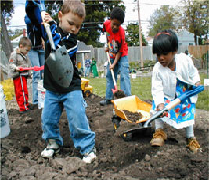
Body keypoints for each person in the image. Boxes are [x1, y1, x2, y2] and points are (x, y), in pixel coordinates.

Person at [40, 0, 96, 163]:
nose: (74, 28)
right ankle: (53, 143)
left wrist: (50, 27)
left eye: (78, 26)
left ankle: (87, 147)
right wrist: (41, 18)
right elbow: (37, 27)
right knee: (48, 118)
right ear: (60, 16)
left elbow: (60, 48)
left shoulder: (72, 40)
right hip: (52, 86)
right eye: (71, 23)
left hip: (71, 86)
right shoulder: (48, 28)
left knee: (77, 117)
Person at [150, 29, 201, 153]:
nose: (161, 58)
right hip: (167, 96)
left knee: (188, 112)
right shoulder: (157, 69)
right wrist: (161, 104)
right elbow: (157, 88)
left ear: (174, 51)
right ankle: (159, 132)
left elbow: (193, 73)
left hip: (184, 94)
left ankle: (190, 138)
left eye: (165, 54)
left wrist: (196, 82)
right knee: (158, 109)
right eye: (158, 55)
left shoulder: (184, 60)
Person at [100, 7, 131, 106]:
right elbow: (107, 34)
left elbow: (120, 52)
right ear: (110, 20)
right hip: (112, 52)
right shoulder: (106, 24)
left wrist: (114, 64)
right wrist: (108, 45)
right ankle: (109, 99)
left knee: (124, 75)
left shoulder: (121, 33)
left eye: (118, 25)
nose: (115, 27)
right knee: (110, 75)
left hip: (122, 54)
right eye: (114, 24)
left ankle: (126, 99)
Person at [25, 0, 46, 109]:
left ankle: (45, 98)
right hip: (32, 49)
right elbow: (31, 20)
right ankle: (36, 100)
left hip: (41, 47)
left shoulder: (41, 9)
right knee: (37, 73)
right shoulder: (28, 16)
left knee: (44, 72)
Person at [9, 37, 32, 114]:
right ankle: (23, 108)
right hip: (19, 76)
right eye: (26, 50)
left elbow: (27, 65)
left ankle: (26, 104)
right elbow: (11, 64)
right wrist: (16, 68)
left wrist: (29, 73)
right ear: (21, 46)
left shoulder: (24, 55)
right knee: (21, 91)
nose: (27, 52)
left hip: (24, 75)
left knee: (25, 90)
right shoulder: (14, 54)